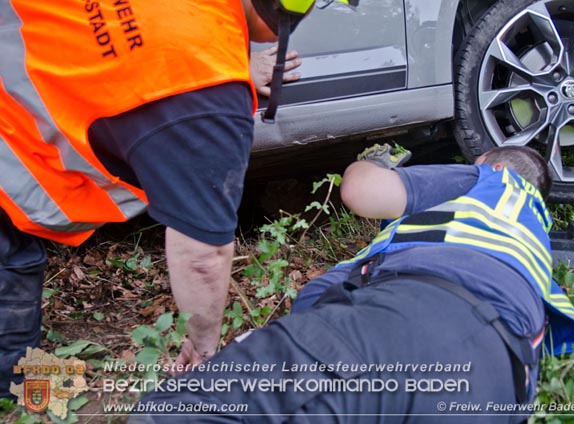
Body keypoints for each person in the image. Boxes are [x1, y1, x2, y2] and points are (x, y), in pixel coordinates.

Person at [0, 0, 331, 399]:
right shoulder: (205, 100)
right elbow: (203, 257)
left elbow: (128, 43)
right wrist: (205, 347)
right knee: (12, 359)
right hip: (11, 158)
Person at [129, 144, 574, 423]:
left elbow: (359, 194)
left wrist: (370, 163)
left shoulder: (488, 180)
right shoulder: (532, 246)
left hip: (411, 326)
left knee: (183, 409)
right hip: (499, 387)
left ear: (487, 162)